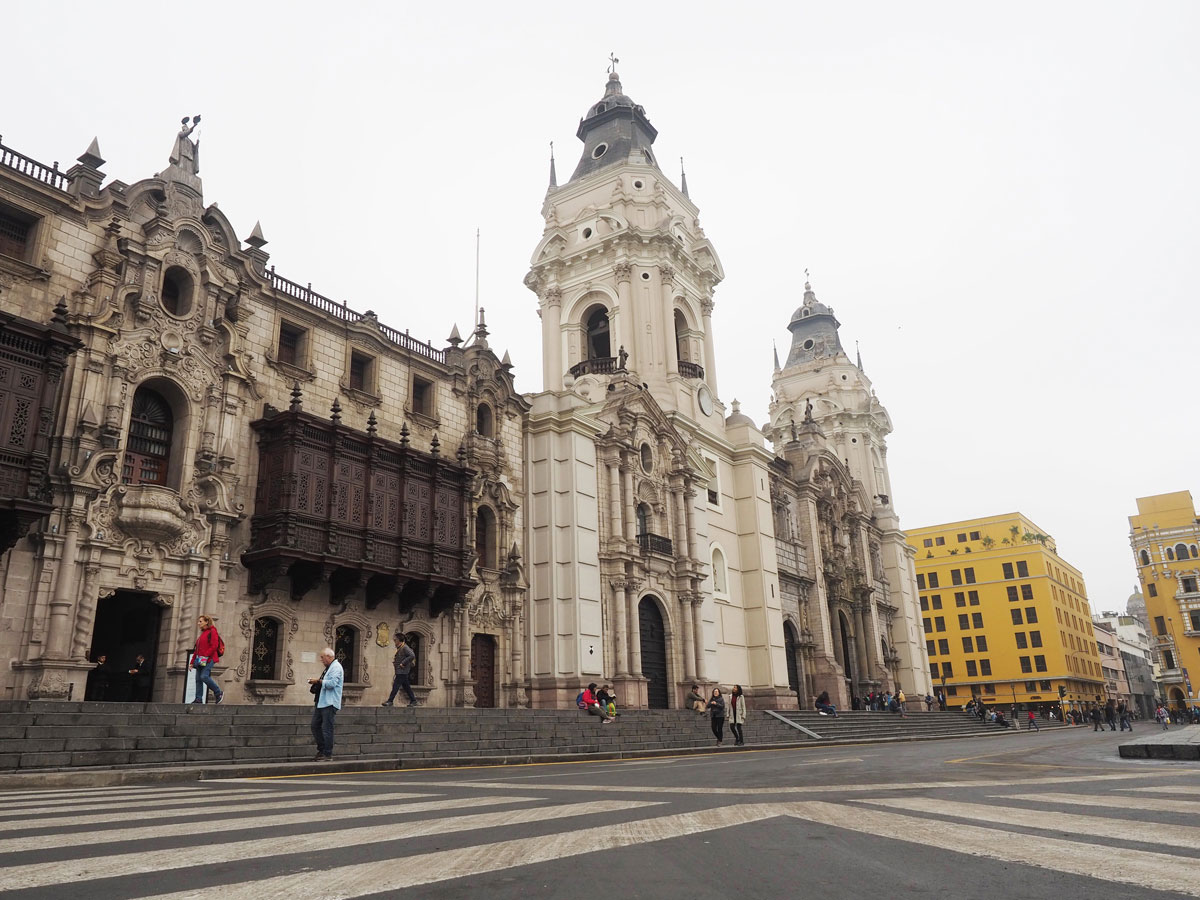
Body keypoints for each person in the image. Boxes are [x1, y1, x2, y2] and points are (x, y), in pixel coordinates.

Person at [308, 647, 344, 760]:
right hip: (321, 702)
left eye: (322, 657)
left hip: (330, 702)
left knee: (327, 728)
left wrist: (318, 681)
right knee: (314, 726)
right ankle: (322, 749)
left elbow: (332, 684)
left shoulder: (336, 667)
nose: (321, 660)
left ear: (329, 657)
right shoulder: (329, 668)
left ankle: (327, 753)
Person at [191, 615, 224, 705]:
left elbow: (214, 646)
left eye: (200, 621)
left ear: (206, 622)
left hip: (209, 659)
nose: (198, 623)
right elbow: (196, 650)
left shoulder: (213, 631)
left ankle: (218, 692)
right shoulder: (203, 634)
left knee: (204, 676)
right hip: (201, 659)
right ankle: (198, 699)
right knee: (198, 679)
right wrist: (191, 662)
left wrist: (205, 656)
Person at [381, 634, 417, 707]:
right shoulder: (400, 647)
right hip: (400, 671)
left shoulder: (405, 647)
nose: (394, 641)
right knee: (406, 686)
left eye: (395, 639)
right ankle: (413, 700)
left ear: (399, 640)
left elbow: (412, 655)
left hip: (402, 671)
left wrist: (403, 663)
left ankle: (390, 701)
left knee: (396, 685)